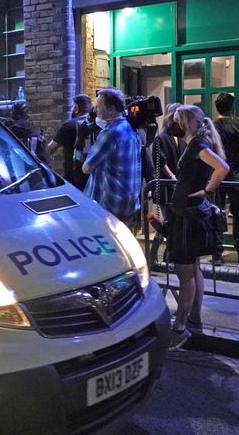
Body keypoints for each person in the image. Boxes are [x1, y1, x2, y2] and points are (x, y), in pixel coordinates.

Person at [166, 105, 229, 348]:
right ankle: (192, 318)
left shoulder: (198, 145)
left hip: (188, 215)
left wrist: (207, 190)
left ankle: (180, 326)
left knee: (185, 274)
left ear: (190, 121)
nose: (174, 124)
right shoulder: (197, 143)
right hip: (190, 213)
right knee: (193, 270)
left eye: (178, 120)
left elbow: (222, 167)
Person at [82, 88, 142, 227]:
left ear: (111, 109)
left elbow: (86, 168)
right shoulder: (129, 127)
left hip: (109, 205)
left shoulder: (109, 133)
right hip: (127, 202)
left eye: (98, 107)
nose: (95, 111)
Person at [212, 93, 239, 263]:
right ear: (232, 107)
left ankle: (217, 253)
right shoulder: (238, 125)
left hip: (217, 174)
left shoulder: (211, 126)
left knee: (217, 212)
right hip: (235, 174)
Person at [148, 102, 183, 269]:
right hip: (165, 187)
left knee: (171, 223)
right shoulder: (161, 137)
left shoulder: (179, 136)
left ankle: (167, 257)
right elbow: (160, 161)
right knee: (165, 223)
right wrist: (172, 176)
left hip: (174, 186)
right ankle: (155, 257)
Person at [49, 94, 92, 189]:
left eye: (73, 107)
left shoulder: (68, 125)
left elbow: (50, 150)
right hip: (92, 177)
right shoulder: (95, 124)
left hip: (74, 176)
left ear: (76, 109)